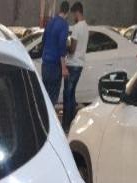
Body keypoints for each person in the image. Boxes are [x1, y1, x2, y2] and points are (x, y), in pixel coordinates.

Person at [63, 2, 87, 132]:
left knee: (67, 94)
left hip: (72, 64)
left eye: (73, 14)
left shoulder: (77, 28)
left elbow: (72, 49)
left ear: (77, 12)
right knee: (71, 94)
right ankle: (71, 122)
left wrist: (66, 46)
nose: (72, 17)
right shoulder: (86, 27)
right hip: (80, 64)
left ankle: (66, 125)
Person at [40, 1, 70, 106]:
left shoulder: (50, 22)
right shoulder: (64, 25)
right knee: (52, 98)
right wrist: (64, 68)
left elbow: (43, 40)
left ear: (60, 9)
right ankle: (50, 116)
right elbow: (62, 46)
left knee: (44, 96)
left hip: (45, 65)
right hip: (54, 67)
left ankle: (43, 115)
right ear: (67, 12)